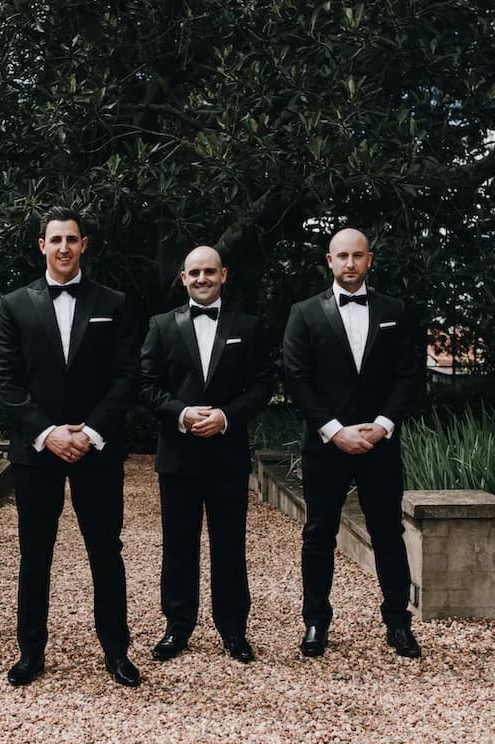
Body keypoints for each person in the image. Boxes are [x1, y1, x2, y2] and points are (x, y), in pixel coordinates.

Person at [0, 206, 141, 687]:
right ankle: (30, 653)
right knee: (35, 553)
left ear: (83, 245)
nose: (63, 248)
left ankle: (116, 651)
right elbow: (6, 381)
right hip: (37, 451)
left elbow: (126, 377)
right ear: (42, 245)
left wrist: (91, 432)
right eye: (55, 240)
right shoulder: (14, 305)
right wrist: (48, 433)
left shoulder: (113, 303)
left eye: (71, 239)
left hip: (97, 449)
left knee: (106, 551)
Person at [281, 227, 423, 659]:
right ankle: (315, 623)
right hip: (326, 444)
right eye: (342, 256)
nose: (349, 263)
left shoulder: (395, 310)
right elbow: (296, 379)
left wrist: (383, 425)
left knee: (388, 533)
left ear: (369, 259)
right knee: (318, 534)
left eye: (357, 255)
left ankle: (398, 623)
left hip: (380, 443)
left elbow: (408, 374)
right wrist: (334, 430)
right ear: (329, 260)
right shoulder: (304, 313)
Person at [140, 246, 272, 664]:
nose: (202, 279)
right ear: (183, 278)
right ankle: (177, 626)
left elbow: (261, 386)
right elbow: (146, 386)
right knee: (178, 546)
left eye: (209, 272)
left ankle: (233, 630)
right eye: (194, 272)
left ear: (224, 275)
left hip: (227, 456)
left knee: (229, 545)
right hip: (177, 456)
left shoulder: (247, 326)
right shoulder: (161, 326)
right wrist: (181, 413)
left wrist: (225, 416)